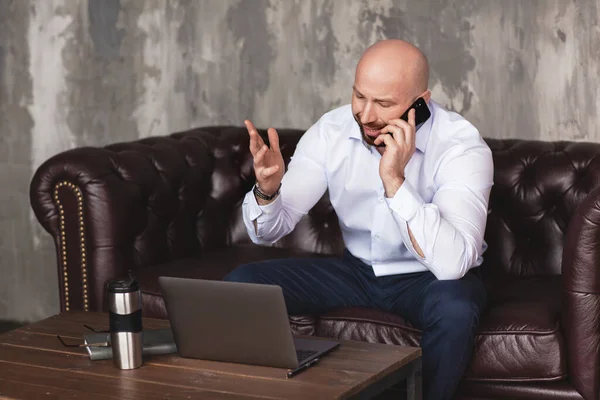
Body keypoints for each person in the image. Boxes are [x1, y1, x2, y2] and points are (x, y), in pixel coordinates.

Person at [224, 39, 493, 400]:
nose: (365, 116)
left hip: (428, 279)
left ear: (421, 103)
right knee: (241, 283)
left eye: (383, 104)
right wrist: (268, 191)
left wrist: (395, 181)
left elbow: (452, 265)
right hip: (355, 271)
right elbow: (269, 231)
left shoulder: (461, 147)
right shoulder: (331, 131)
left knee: (456, 311)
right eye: (359, 96)